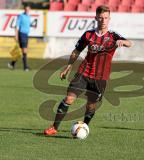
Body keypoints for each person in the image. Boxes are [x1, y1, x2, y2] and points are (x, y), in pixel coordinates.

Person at [44, 5, 132, 136]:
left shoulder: (113, 36)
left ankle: (84, 127)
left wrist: (122, 42)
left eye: (106, 18)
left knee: (91, 106)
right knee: (69, 99)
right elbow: (77, 51)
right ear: (96, 17)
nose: (103, 20)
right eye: (101, 18)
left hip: (100, 78)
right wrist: (68, 66)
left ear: (109, 19)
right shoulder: (88, 34)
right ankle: (54, 127)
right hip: (83, 73)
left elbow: (130, 43)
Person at [8, 5, 31, 71]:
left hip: (26, 35)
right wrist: (16, 35)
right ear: (24, 9)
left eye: (28, 9)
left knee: (22, 52)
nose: (27, 10)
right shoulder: (21, 16)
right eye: (26, 9)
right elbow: (17, 26)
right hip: (21, 34)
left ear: (30, 10)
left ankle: (12, 64)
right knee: (24, 51)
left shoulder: (29, 17)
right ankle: (25, 67)